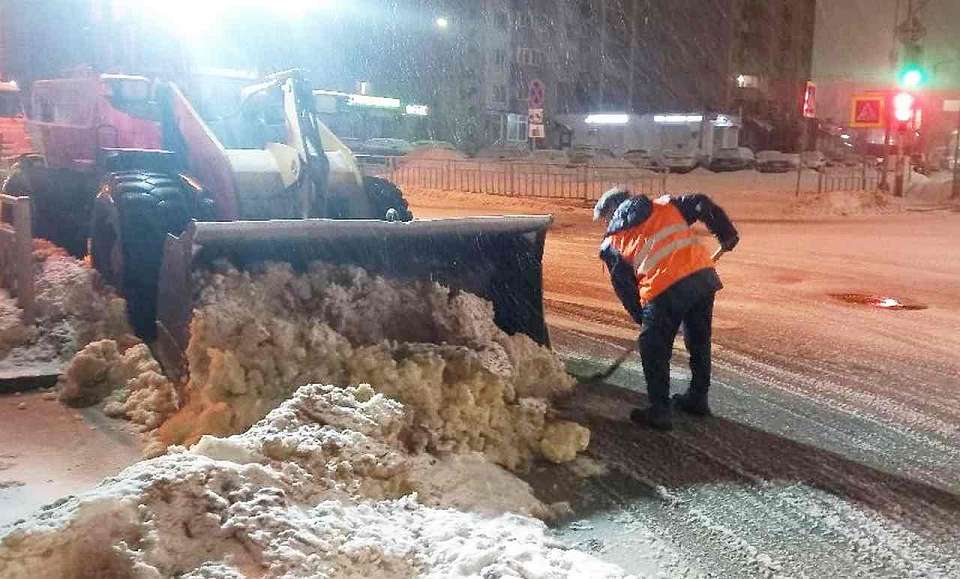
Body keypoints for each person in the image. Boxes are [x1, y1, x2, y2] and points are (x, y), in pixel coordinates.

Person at [594, 187, 739, 430]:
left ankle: (659, 410)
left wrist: (645, 321)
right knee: (699, 341)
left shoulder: (612, 242)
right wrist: (725, 232)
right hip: (702, 276)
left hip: (663, 288)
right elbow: (701, 202)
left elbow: (627, 290)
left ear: (610, 214)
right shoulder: (664, 205)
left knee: (653, 347)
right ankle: (698, 398)